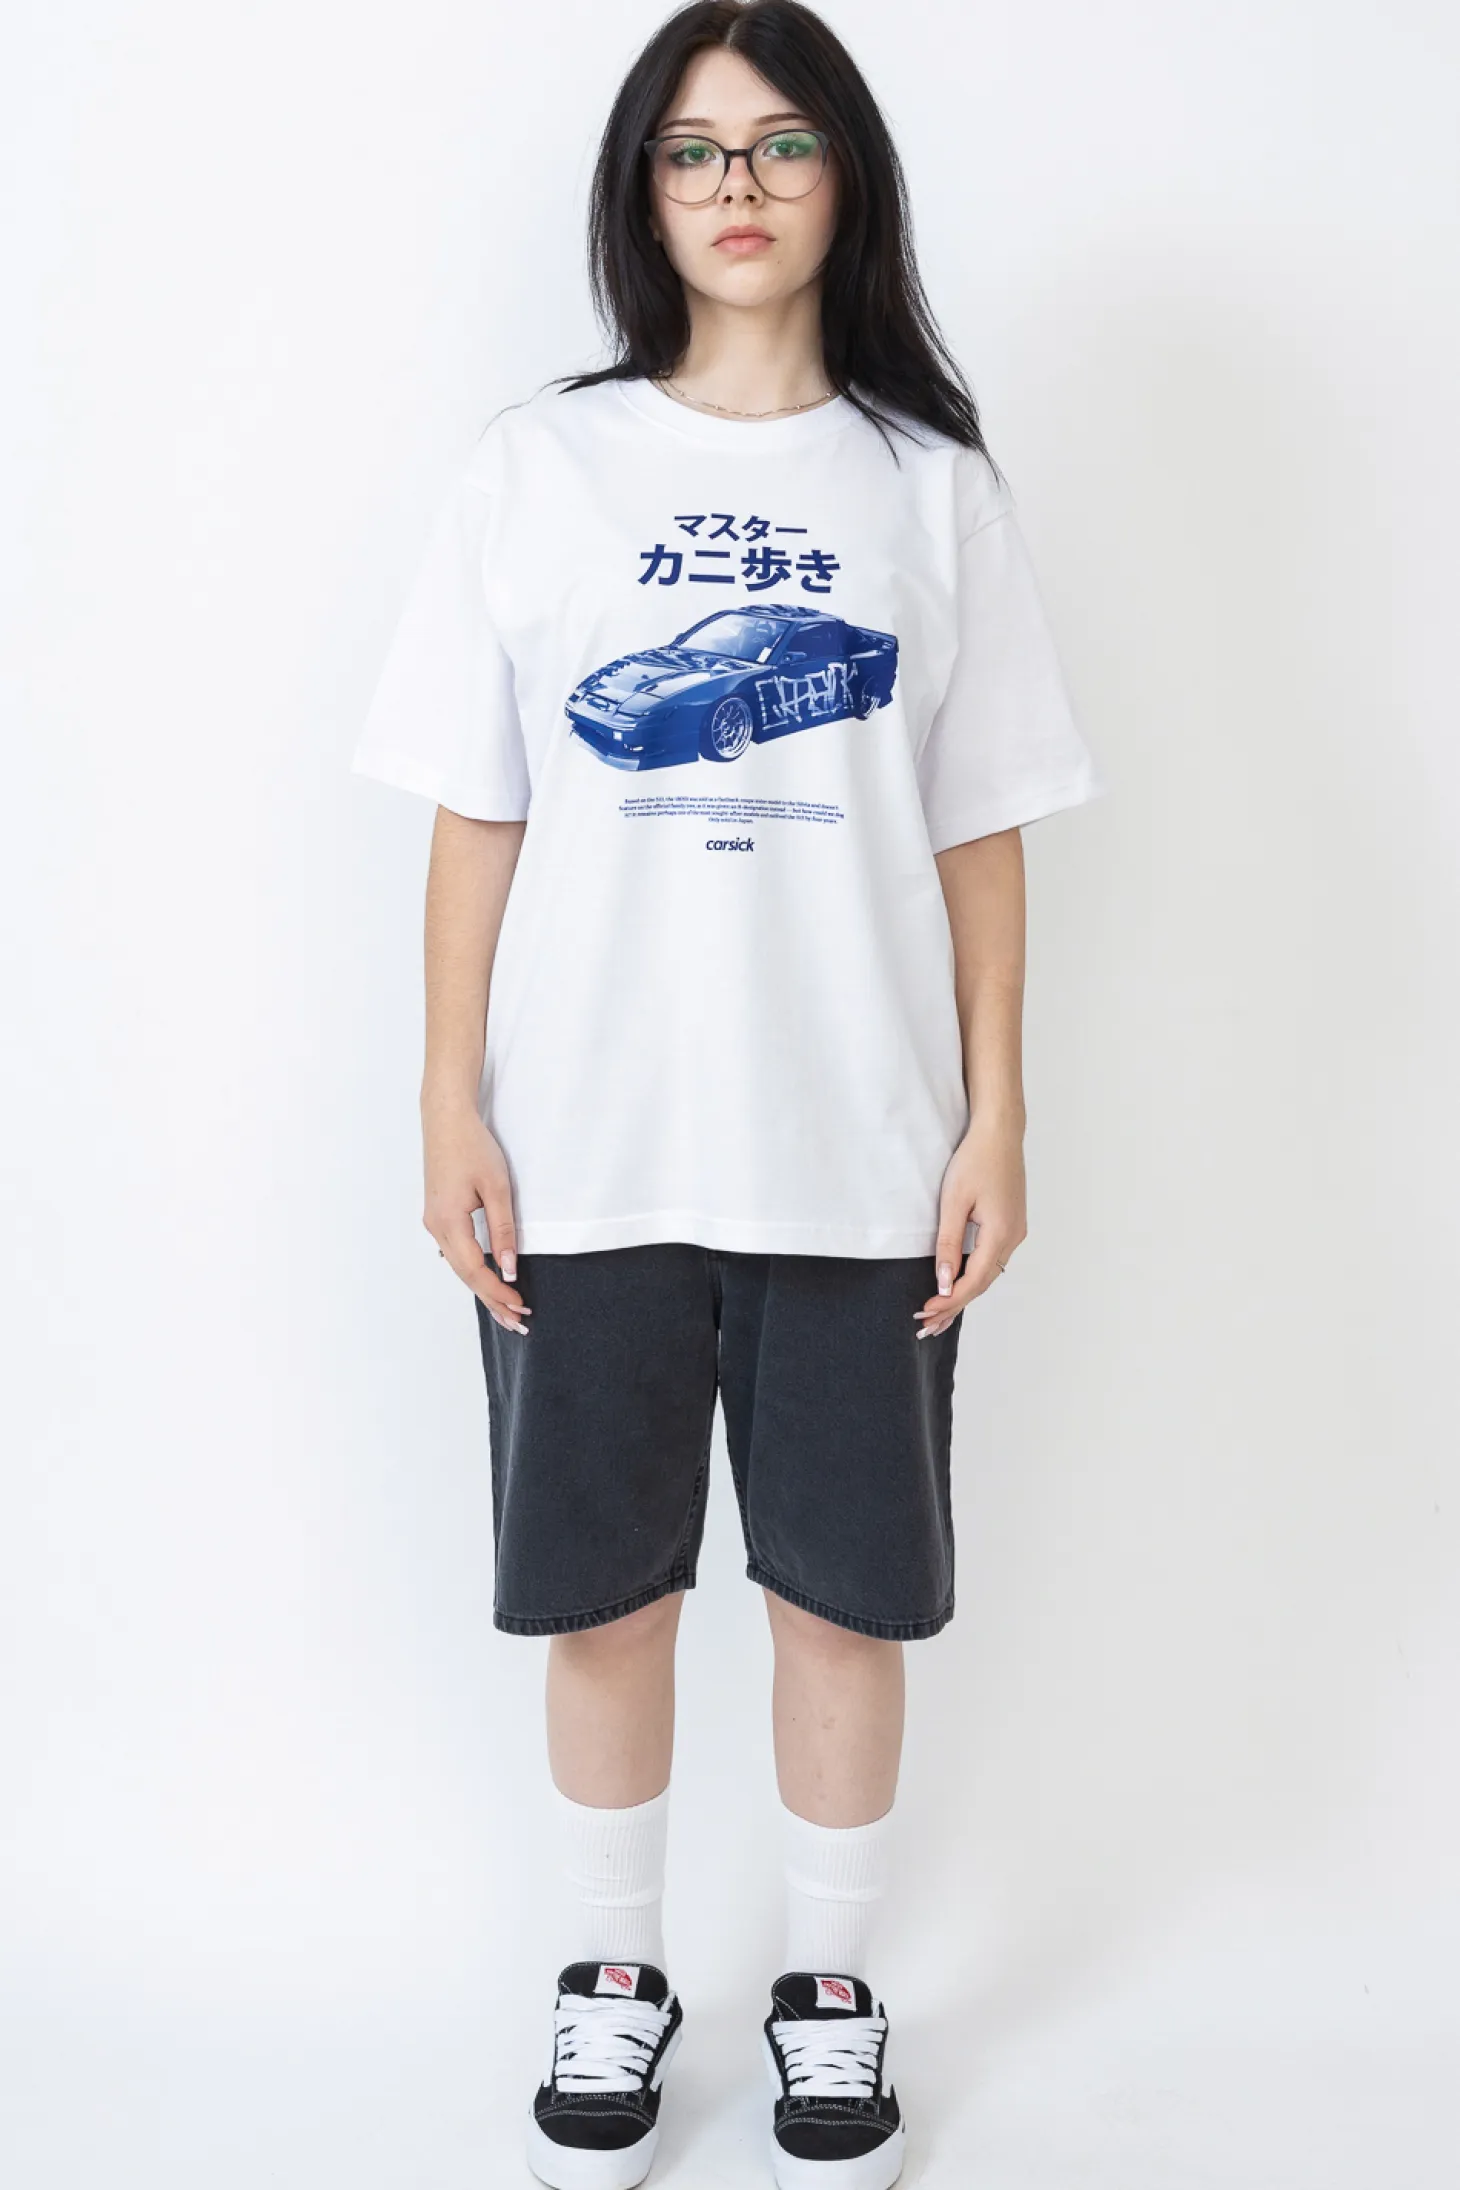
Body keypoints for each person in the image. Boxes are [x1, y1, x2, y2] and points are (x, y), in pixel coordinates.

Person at [351, 3, 1104, 2183]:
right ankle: (613, 1970)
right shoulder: (540, 467)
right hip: (582, 1140)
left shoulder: (927, 488)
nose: (738, 188)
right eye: (693, 152)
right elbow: (479, 804)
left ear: (844, 180)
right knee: (602, 1588)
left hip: (859, 1144)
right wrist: (446, 1098)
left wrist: (997, 1113)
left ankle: (831, 1988)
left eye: (779, 146)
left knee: (843, 1590)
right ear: (645, 194)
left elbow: (979, 827)